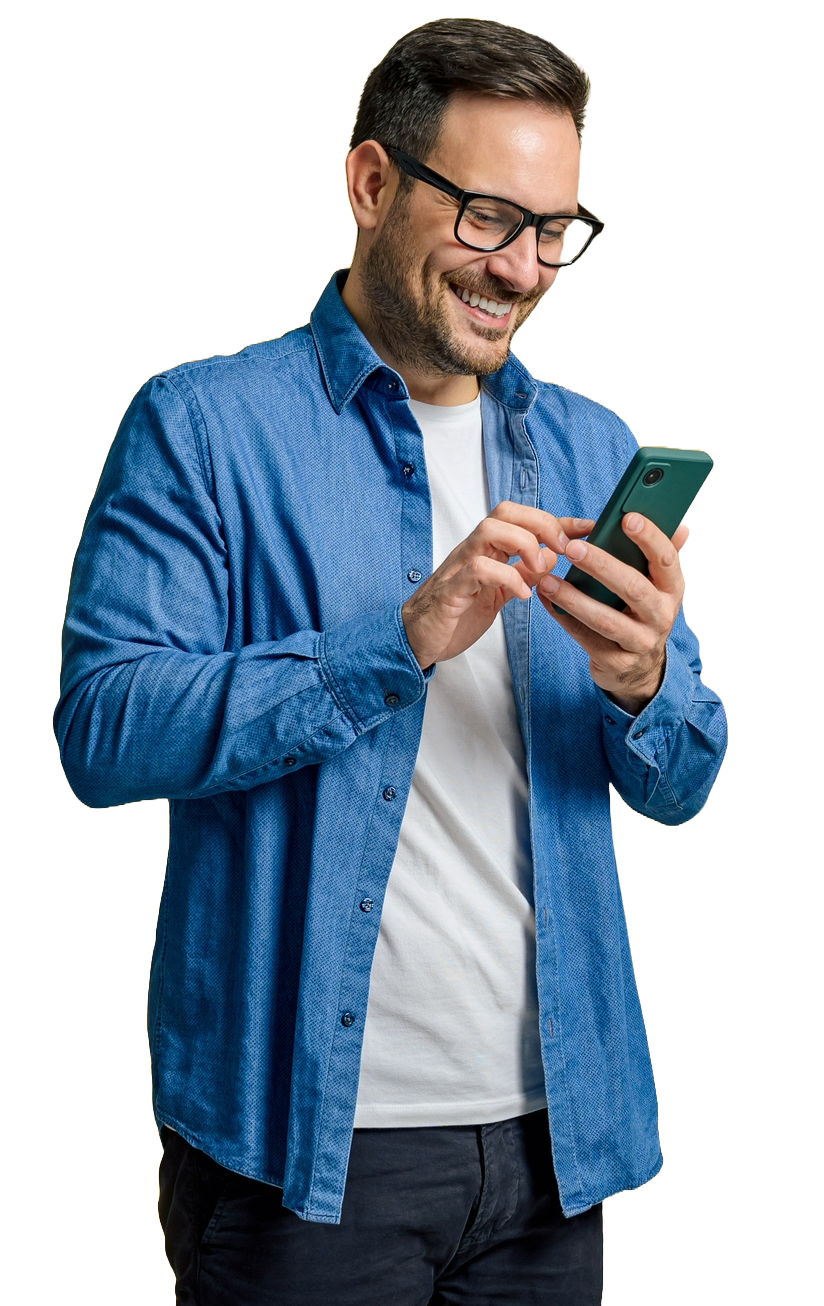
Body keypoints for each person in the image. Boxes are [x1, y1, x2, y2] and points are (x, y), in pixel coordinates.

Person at [55, 17, 727, 1304]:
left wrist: (646, 683)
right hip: (301, 1155)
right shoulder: (202, 427)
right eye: (485, 215)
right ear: (370, 182)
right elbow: (103, 730)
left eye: (554, 228)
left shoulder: (593, 447)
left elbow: (681, 782)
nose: (521, 267)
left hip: (551, 1145)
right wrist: (403, 636)